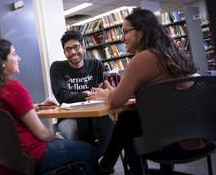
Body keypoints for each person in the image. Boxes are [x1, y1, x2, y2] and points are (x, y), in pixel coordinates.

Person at [86, 9, 211, 174]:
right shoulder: (173, 53)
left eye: (125, 32)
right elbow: (158, 93)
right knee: (129, 119)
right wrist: (119, 93)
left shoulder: (143, 58)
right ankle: (106, 166)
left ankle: (105, 167)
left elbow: (115, 103)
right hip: (202, 135)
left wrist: (108, 95)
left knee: (128, 127)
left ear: (141, 32)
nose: (122, 38)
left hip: (176, 144)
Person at [0, 38, 97, 175]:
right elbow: (42, 134)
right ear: (1, 62)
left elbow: (9, 112)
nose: (19, 58)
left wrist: (38, 106)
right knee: (89, 150)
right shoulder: (12, 88)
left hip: (6, 162)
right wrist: (59, 139)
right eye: (14, 54)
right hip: (33, 156)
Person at [50, 30, 115, 158]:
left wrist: (103, 93)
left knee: (111, 131)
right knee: (75, 135)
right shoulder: (57, 68)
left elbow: (109, 90)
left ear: (83, 48)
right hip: (69, 117)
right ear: (64, 53)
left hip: (98, 114)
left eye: (76, 47)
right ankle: (91, 164)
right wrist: (90, 94)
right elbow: (63, 97)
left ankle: (92, 164)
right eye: (68, 49)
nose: (73, 52)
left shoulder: (97, 65)